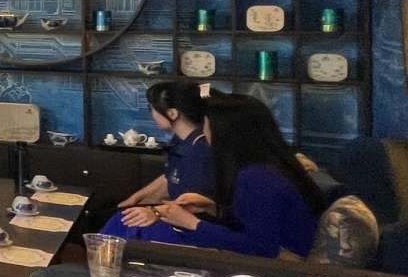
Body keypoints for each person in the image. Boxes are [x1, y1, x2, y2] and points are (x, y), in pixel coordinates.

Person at [102, 92, 325, 258]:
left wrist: (192, 223)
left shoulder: (258, 178)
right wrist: (212, 207)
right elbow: (256, 222)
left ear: (227, 135)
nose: (204, 135)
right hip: (249, 251)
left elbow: (262, 249)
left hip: (278, 268)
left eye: (207, 128)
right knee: (125, 222)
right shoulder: (265, 168)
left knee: (128, 227)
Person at [112, 80, 216, 228]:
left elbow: (193, 204)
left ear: (172, 113)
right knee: (118, 215)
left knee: (120, 224)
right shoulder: (180, 140)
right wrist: (134, 199)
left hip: (190, 224)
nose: (152, 114)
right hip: (173, 213)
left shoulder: (199, 150)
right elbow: (169, 177)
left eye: (152, 108)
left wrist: (154, 211)